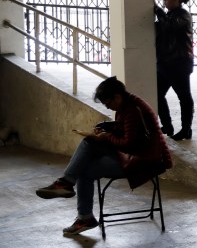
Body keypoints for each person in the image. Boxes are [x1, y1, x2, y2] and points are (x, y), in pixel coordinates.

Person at [35, 76, 173, 236]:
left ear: (117, 96)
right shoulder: (126, 106)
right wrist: (106, 128)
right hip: (132, 155)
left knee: (86, 162)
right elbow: (128, 133)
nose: (108, 108)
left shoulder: (133, 110)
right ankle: (69, 191)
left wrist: (106, 137)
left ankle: (76, 202)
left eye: (108, 103)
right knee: (89, 147)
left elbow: (128, 143)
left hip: (141, 161)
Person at [154, 0, 194, 141]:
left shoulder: (183, 15)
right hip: (164, 64)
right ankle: (167, 125)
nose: (164, 2)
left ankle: (186, 129)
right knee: (157, 95)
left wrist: (158, 11)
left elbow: (170, 27)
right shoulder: (169, 15)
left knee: (184, 97)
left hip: (179, 64)